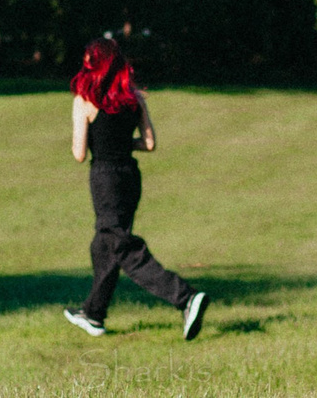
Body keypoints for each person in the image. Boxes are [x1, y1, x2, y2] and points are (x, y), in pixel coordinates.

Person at [63, 37, 208, 340]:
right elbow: (149, 143)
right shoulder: (134, 98)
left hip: (105, 178)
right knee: (104, 245)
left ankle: (186, 298)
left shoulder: (84, 99)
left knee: (123, 248)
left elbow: (79, 153)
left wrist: (100, 142)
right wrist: (121, 142)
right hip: (130, 176)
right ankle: (93, 314)